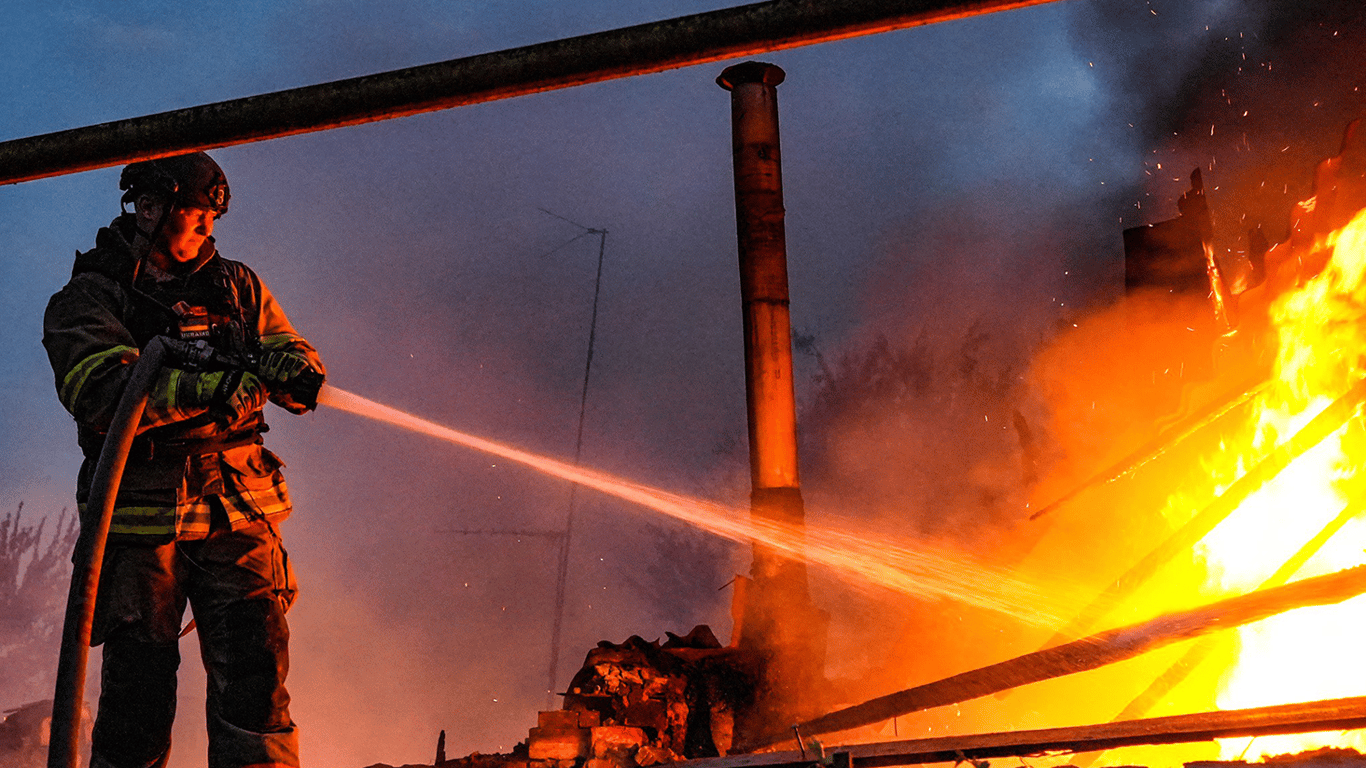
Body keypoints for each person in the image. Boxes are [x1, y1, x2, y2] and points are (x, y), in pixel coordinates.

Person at [42, 151, 325, 768]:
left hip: (238, 514)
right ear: (148, 209)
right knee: (137, 703)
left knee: (257, 682)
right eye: (193, 215)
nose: (206, 229)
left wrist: (295, 369)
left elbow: (286, 345)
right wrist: (207, 390)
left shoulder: (238, 285)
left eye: (211, 219)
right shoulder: (87, 299)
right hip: (141, 524)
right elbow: (101, 391)